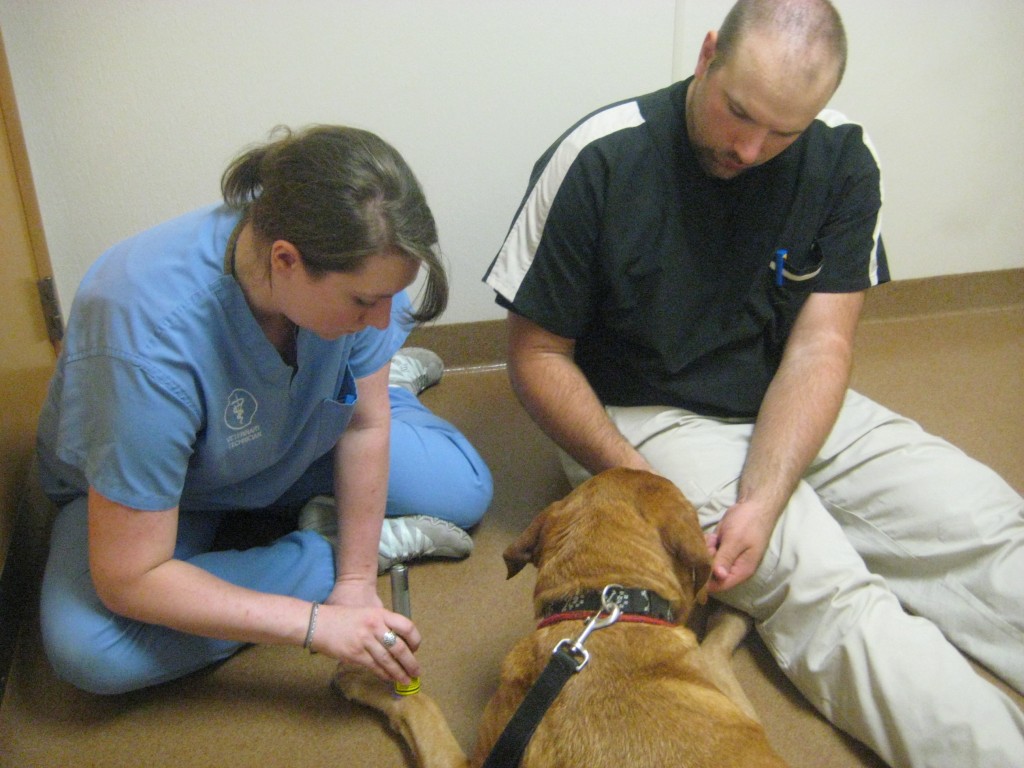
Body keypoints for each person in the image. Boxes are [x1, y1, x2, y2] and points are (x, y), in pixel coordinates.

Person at [484, 1, 1023, 766]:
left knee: (987, 523)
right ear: (708, 54)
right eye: (737, 112)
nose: (749, 147)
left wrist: (765, 496)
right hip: (644, 418)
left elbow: (820, 348)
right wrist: (643, 489)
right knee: (827, 589)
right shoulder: (601, 157)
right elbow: (537, 355)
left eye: (782, 134)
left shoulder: (843, 157)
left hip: (785, 397)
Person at [36, 124, 492, 696]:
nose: (384, 321)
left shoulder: (361, 259)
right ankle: (324, 549)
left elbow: (366, 424)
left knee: (464, 491)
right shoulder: (143, 341)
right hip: (172, 495)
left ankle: (383, 387)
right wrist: (318, 623)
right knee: (92, 648)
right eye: (364, 302)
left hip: (296, 435)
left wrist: (355, 584)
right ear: (285, 261)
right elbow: (131, 578)